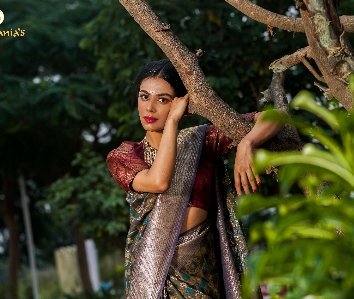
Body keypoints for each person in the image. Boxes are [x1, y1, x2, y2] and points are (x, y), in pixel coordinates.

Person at [106, 59, 283, 299]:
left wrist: (247, 143)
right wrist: (173, 123)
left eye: (163, 99)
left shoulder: (201, 142)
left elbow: (275, 117)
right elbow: (159, 182)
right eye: (144, 96)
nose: (150, 108)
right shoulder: (124, 155)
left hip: (202, 269)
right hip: (152, 275)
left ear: (181, 104)